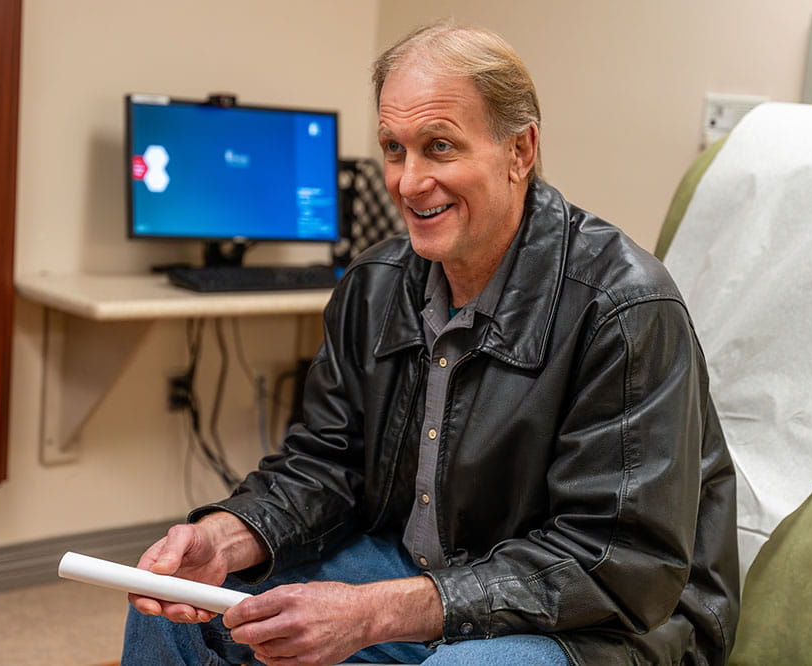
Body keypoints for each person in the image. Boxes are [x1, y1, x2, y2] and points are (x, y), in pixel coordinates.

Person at [123, 22, 740, 666]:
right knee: (180, 610)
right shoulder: (373, 287)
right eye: (395, 149)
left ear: (520, 150)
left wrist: (378, 612)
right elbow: (325, 465)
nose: (409, 182)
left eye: (439, 147)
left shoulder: (623, 309)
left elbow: (617, 563)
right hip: (418, 565)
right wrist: (226, 538)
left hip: (613, 619)